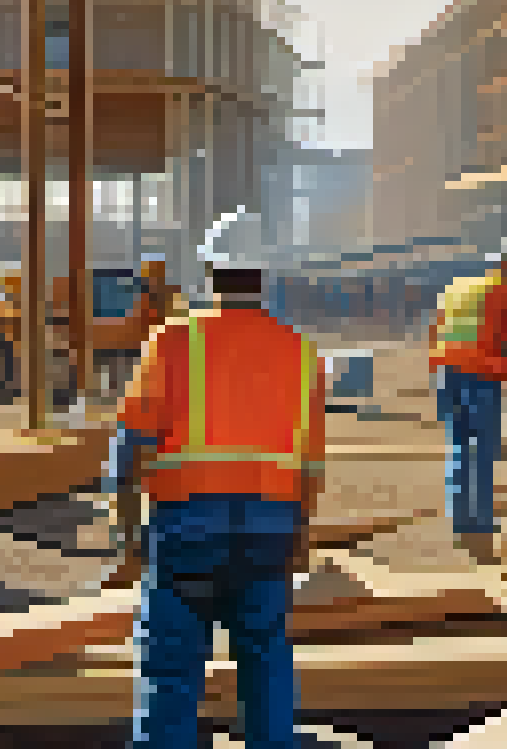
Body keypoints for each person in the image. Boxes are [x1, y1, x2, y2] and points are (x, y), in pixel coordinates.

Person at [104, 249, 326, 749]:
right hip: (270, 529)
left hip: (188, 528)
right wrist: (301, 538)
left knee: (171, 672)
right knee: (265, 661)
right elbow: (311, 463)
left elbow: (130, 442)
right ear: (263, 275)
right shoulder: (299, 349)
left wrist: (126, 533)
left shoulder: (177, 339)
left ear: (209, 273)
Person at [429, 245, 507, 552]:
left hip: (447, 374)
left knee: (459, 444)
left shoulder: (456, 289)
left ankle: (459, 521)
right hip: (481, 375)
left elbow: (435, 332)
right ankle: (482, 523)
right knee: (484, 449)